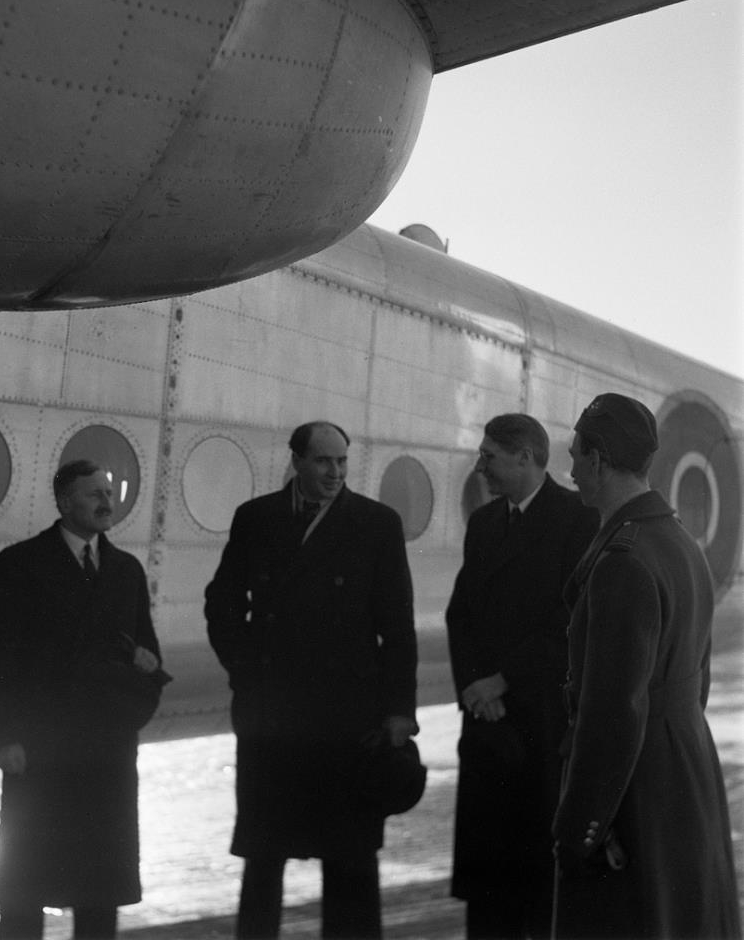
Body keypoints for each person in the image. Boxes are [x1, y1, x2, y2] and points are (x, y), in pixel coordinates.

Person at [204, 421, 418, 939]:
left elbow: (397, 625)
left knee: (350, 863)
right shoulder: (256, 519)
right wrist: (247, 672)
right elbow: (222, 603)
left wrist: (399, 712)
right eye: (323, 461)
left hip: (349, 722)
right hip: (272, 717)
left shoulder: (376, 523)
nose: (334, 472)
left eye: (341, 461)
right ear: (297, 460)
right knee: (264, 859)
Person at [553, 393, 741, 939]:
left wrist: (582, 828)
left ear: (598, 460)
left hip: (635, 795)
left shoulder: (623, 561)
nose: (571, 469)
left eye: (575, 455)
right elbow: (697, 680)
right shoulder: (681, 544)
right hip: (684, 776)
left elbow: (612, 715)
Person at [0, 459, 167, 940]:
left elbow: (148, 656)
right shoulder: (19, 565)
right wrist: (1, 738)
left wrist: (132, 715)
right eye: (94, 493)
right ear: (64, 502)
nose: (107, 502)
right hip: (40, 750)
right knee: (25, 891)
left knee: (99, 893)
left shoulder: (125, 570)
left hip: (106, 753)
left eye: (109, 492)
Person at [445, 414, 598, 939]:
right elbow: (460, 616)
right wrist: (474, 685)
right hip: (487, 725)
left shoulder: (578, 520)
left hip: (541, 723)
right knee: (488, 893)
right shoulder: (485, 523)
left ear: (525, 458)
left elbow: (570, 621)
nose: (479, 466)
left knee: (537, 885)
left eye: (489, 456)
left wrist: (503, 680)